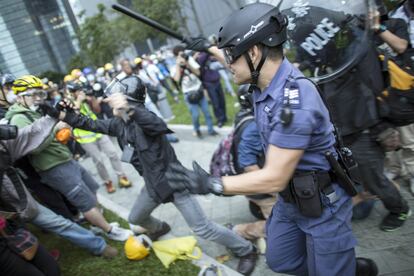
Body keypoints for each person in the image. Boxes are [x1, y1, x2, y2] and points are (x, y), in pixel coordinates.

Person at [165, 3, 378, 275]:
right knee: (281, 261)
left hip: (323, 206)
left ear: (254, 52)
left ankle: (343, 269)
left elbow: (274, 176)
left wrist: (212, 184)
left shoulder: (294, 102)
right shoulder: (268, 78)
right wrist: (206, 48)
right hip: (292, 200)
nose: (227, 62)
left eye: (231, 55)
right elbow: (240, 61)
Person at [53, 74, 258, 275]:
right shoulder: (119, 123)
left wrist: (128, 108)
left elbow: (157, 125)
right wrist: (66, 116)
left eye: (117, 100)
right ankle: (159, 228)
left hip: (175, 181)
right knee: (136, 217)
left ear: (130, 102)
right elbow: (92, 124)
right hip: (153, 185)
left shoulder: (145, 120)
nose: (111, 104)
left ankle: (246, 250)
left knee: (203, 228)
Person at [5, 75, 132, 242]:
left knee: (91, 188)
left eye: (40, 94)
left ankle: (96, 224)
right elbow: (33, 148)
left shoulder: (33, 111)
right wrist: (55, 130)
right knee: (84, 202)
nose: (38, 99)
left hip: (65, 159)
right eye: (33, 95)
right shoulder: (19, 118)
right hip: (53, 167)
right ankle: (110, 231)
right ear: (20, 96)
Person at [0, 117, 118, 259]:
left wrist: (52, 117)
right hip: (11, 205)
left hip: (20, 201)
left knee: (57, 223)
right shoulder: (18, 116)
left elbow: (29, 135)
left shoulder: (6, 138)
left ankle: (99, 246)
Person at [227, 85, 277, 242]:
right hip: (260, 189)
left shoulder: (244, 115)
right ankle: (239, 232)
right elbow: (249, 164)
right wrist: (275, 190)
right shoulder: (254, 125)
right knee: (279, 228)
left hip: (250, 185)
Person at [67, 81, 132, 193]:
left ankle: (122, 176)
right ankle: (107, 182)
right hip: (84, 137)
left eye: (81, 90)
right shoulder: (68, 102)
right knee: (98, 161)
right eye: (78, 90)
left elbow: (98, 110)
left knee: (113, 153)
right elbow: (74, 114)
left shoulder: (86, 99)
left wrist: (91, 99)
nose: (81, 92)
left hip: (98, 131)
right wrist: (79, 100)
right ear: (72, 92)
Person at [172, 46, 218, 138]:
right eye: (180, 55)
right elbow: (176, 79)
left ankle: (211, 130)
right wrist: (178, 64)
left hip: (198, 90)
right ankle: (196, 130)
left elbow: (198, 73)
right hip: (188, 94)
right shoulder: (174, 67)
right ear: (176, 56)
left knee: (207, 113)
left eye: (183, 54)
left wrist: (188, 64)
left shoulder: (190, 61)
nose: (182, 56)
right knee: (195, 115)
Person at [196, 51, 228, 128]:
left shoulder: (210, 56)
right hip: (209, 84)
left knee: (222, 101)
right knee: (215, 102)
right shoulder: (200, 58)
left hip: (217, 81)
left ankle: (224, 117)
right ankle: (220, 119)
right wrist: (208, 50)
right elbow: (202, 59)